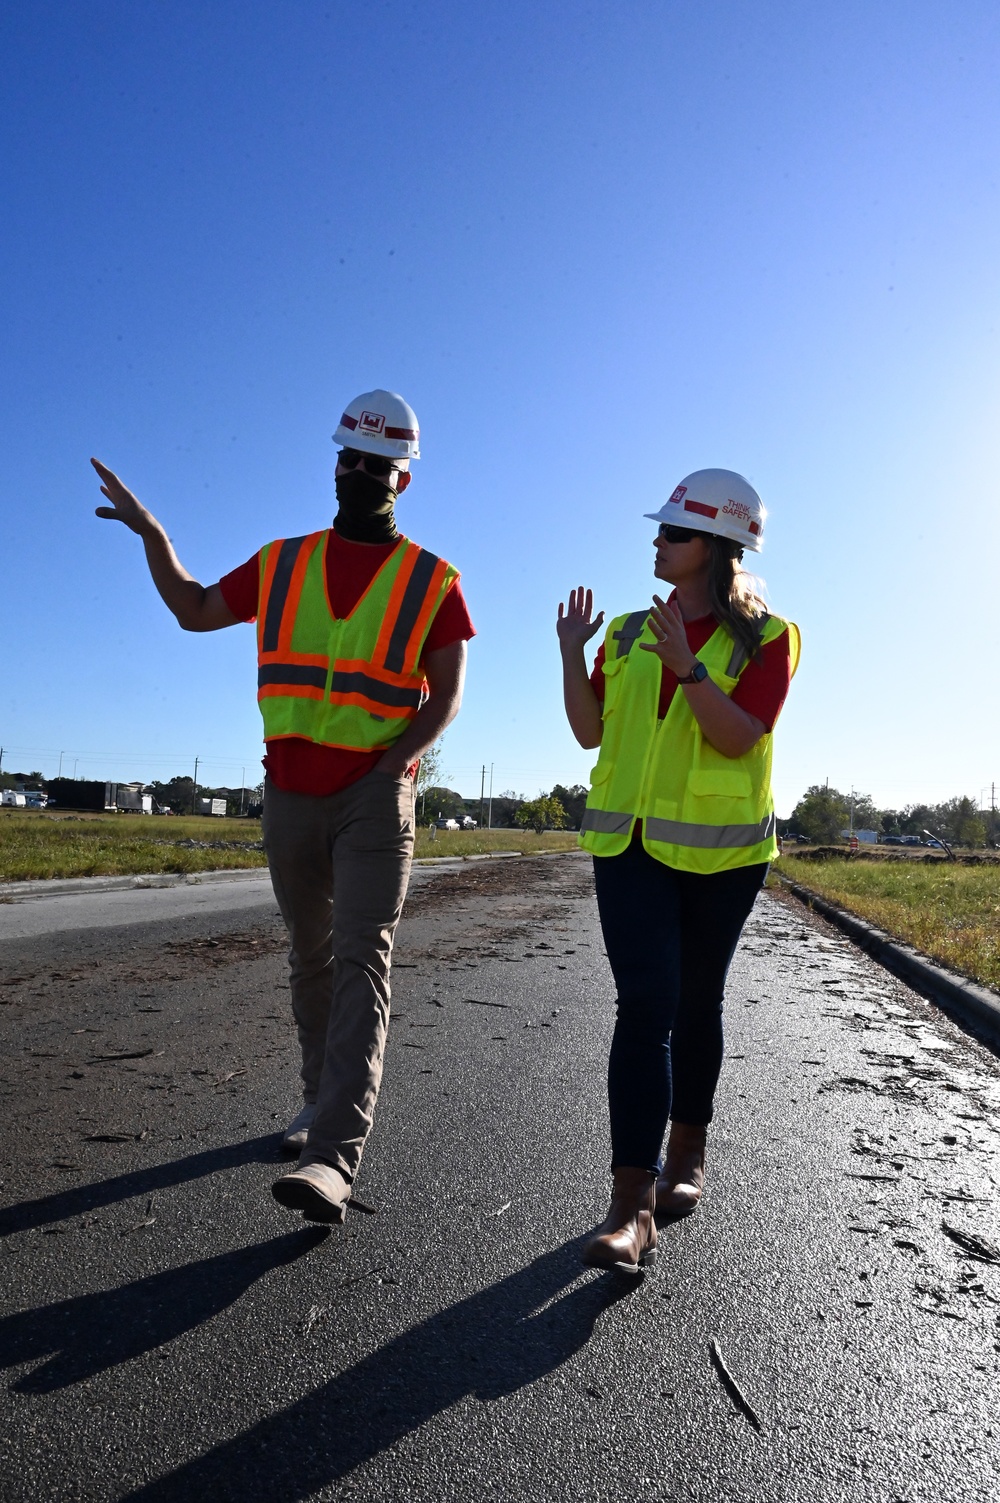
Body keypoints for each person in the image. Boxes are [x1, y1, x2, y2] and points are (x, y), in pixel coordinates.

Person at [92, 389, 474, 1224]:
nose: (361, 473)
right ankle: (314, 1099)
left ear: (403, 479)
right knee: (311, 958)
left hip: (376, 798)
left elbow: (445, 696)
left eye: (378, 465)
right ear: (333, 462)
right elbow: (195, 610)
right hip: (291, 796)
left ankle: (334, 1161)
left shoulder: (431, 579)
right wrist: (154, 538)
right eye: (351, 458)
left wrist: (393, 766)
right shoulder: (282, 562)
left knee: (362, 959)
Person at [557, 469, 799, 1273]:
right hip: (627, 846)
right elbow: (590, 734)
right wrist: (570, 654)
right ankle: (630, 1210)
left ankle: (687, 1153)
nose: (656, 543)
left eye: (673, 534)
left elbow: (737, 737)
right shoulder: (627, 633)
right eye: (659, 532)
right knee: (647, 1003)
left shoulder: (769, 638)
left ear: (719, 548)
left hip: (724, 854)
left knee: (698, 1000)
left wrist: (691, 668)